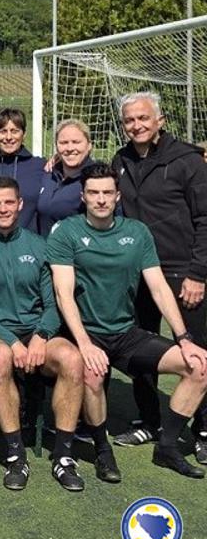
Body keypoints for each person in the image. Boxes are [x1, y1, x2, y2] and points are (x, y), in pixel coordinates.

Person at [48, 164, 207, 480]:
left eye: (107, 193)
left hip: (126, 333)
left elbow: (159, 288)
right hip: (86, 333)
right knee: (91, 374)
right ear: (83, 196)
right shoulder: (66, 232)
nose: (101, 199)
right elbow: (63, 295)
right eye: (94, 193)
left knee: (200, 366)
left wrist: (184, 338)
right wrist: (84, 345)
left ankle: (167, 446)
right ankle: (102, 450)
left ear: (118, 196)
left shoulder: (137, 232)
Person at [0, 176, 85, 491]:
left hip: (35, 331)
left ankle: (63, 456)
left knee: (72, 359)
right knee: (0, 358)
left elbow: (53, 303)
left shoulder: (40, 246)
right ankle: (16, 454)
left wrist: (41, 335)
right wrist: (12, 342)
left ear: (20, 204)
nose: (3, 209)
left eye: (9, 202)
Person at [109, 91, 207, 458]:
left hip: (183, 272)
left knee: (198, 349)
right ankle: (149, 421)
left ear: (160, 120)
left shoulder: (188, 161)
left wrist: (198, 273)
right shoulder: (120, 160)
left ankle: (203, 428)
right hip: (139, 272)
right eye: (129, 120)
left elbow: (205, 219)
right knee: (141, 348)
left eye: (143, 118)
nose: (136, 125)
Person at [0, 107, 46, 232]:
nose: (8, 137)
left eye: (14, 131)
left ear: (24, 134)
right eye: (2, 131)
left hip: (29, 241)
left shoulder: (40, 167)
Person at [36, 119, 96, 235]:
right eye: (63, 143)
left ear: (89, 145)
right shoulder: (48, 174)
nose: (69, 148)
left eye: (76, 142)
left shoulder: (97, 178)